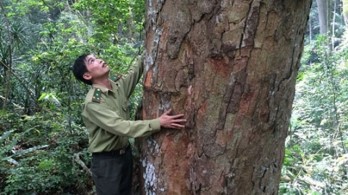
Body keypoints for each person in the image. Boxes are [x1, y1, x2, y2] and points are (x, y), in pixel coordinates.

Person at [72, 52, 186, 195]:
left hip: (125, 155)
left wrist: (148, 52)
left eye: (97, 57)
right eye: (92, 61)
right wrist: (158, 123)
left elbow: (135, 71)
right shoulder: (94, 102)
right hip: (107, 162)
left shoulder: (116, 88)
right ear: (87, 75)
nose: (100, 60)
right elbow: (122, 127)